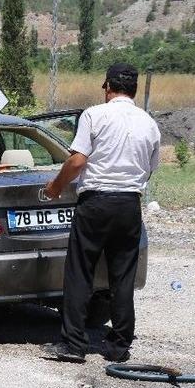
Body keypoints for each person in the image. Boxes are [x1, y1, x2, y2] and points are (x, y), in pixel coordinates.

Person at [42, 63, 160, 363]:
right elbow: (150, 167)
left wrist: (56, 186)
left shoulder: (95, 115)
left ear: (108, 87)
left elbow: (78, 161)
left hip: (96, 202)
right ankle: (119, 346)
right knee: (122, 276)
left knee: (80, 271)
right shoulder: (149, 123)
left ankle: (73, 344)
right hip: (129, 204)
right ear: (132, 90)